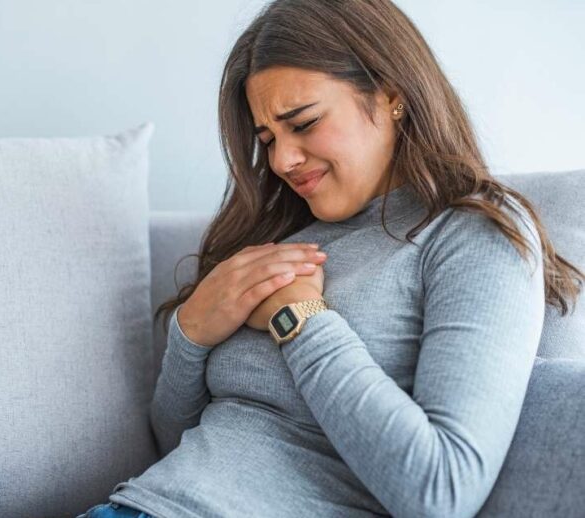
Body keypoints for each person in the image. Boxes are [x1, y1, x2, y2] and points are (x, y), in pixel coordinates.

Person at [78, 0, 584, 517]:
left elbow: (441, 492)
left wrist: (300, 318)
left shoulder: (472, 233)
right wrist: (193, 329)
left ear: (390, 94)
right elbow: (172, 444)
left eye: (304, 122)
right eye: (268, 138)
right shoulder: (282, 233)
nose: (281, 160)